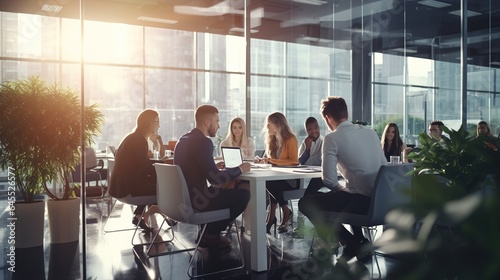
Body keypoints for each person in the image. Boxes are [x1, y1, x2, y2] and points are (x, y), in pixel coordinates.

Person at [298, 96, 387, 263]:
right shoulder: (370, 132)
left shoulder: (332, 138)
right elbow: (385, 166)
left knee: (306, 203)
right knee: (346, 196)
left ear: (328, 118)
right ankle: (349, 241)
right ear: (346, 113)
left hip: (360, 203)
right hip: (381, 202)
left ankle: (349, 241)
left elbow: (329, 180)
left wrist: (344, 189)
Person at [174, 104, 251, 251]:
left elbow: (198, 169)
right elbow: (215, 180)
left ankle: (208, 232)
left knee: (229, 189)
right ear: (207, 122)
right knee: (243, 194)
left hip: (182, 201)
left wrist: (216, 167)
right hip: (197, 203)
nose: (219, 126)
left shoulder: (183, 140)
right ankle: (210, 235)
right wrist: (240, 169)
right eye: (217, 121)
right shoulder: (203, 141)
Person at [109, 109, 165, 232]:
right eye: (156, 122)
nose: (158, 125)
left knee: (154, 184)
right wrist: (164, 171)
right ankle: (168, 216)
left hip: (119, 187)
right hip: (127, 190)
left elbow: (142, 164)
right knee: (164, 189)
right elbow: (146, 168)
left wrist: (159, 165)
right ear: (148, 123)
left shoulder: (132, 137)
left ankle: (139, 215)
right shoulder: (139, 140)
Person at [255, 112, 299, 233]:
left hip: (291, 180)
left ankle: (276, 214)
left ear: (277, 125)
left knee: (269, 182)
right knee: (269, 180)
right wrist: (263, 161)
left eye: (269, 124)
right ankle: (278, 212)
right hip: (276, 179)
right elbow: (273, 163)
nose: (267, 127)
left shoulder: (291, 139)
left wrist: (270, 160)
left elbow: (294, 161)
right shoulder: (272, 141)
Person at [293, 116, 325, 238]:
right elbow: (299, 162)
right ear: (307, 131)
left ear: (319, 127)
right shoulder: (305, 142)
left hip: (321, 177)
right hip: (307, 177)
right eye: (310, 129)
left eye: (315, 127)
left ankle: (311, 227)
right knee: (305, 198)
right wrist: (307, 149)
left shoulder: (324, 142)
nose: (313, 131)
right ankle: (309, 226)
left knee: (306, 198)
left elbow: (320, 161)